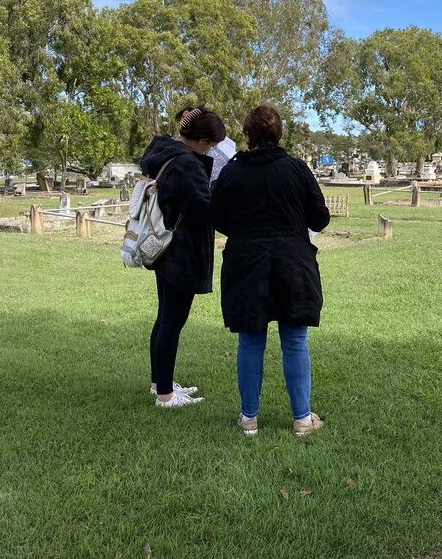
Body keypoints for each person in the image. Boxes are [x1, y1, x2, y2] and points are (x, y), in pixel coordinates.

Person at [210, 105, 331, 436]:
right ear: (279, 134)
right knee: (294, 340)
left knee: (250, 340)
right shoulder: (297, 169)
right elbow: (320, 217)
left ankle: (249, 418)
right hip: (291, 261)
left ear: (247, 135)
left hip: (247, 261)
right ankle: (302, 419)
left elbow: (218, 218)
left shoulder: (231, 173)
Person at [140, 105, 226, 409]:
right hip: (181, 251)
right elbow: (203, 211)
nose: (212, 150)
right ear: (201, 140)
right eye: (211, 145)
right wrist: (219, 187)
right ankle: (165, 395)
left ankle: (158, 382)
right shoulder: (187, 164)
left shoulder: (166, 153)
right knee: (172, 321)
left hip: (165, 248)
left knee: (165, 317)